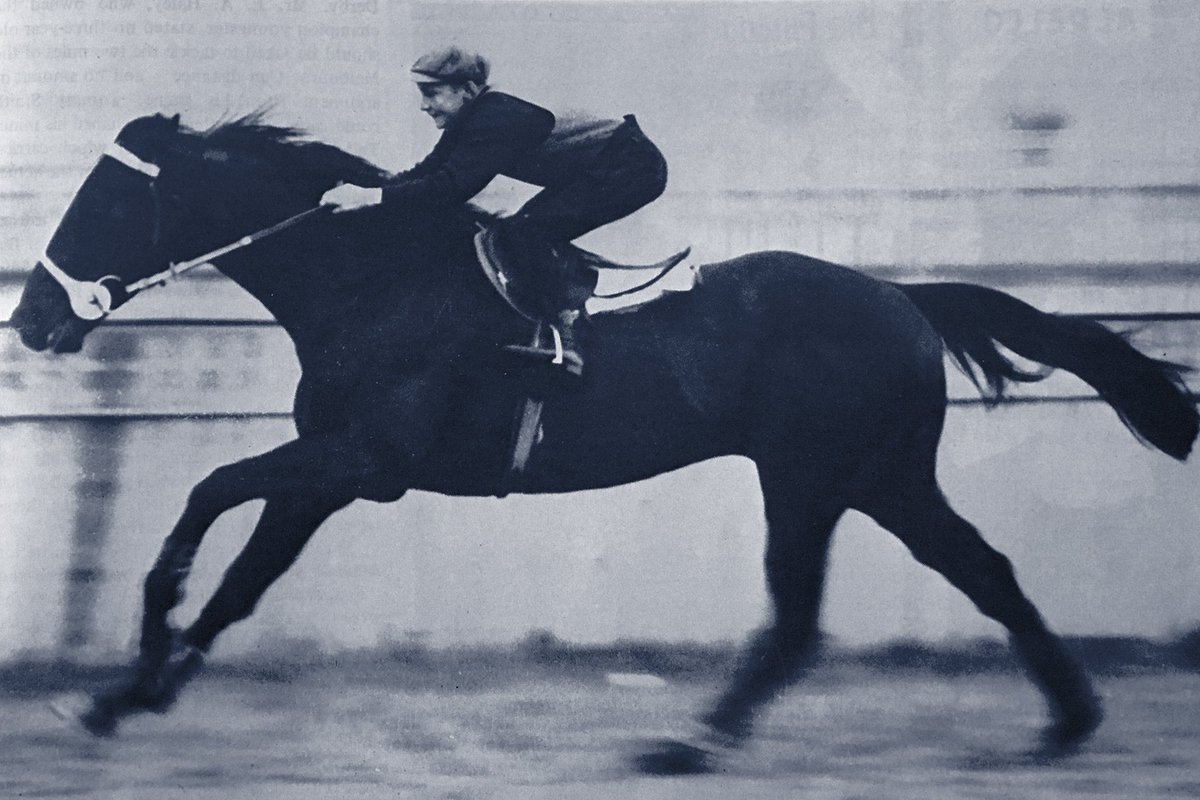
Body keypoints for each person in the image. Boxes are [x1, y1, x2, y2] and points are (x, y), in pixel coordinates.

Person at [320, 46, 669, 376]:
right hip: (603, 166)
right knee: (521, 231)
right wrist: (368, 190)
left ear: (467, 90)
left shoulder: (493, 117)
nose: (424, 106)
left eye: (432, 93)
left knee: (525, 232)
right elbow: (428, 171)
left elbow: (453, 187)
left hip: (632, 167)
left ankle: (567, 339)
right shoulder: (472, 117)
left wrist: (374, 197)